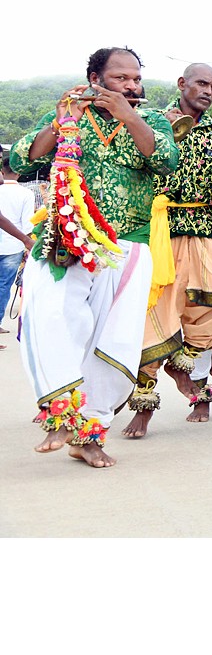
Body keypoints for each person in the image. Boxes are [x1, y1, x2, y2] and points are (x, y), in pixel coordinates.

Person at [10, 46, 179, 465]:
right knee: (52, 319)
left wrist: (130, 114)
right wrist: (61, 119)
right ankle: (61, 413)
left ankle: (90, 433)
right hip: (65, 242)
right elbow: (20, 157)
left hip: (127, 246)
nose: (132, 85)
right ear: (94, 77)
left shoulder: (151, 118)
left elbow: (166, 161)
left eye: (136, 79)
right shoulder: (70, 113)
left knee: (115, 339)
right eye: (121, 78)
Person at [128, 63, 212, 436]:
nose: (209, 91)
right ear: (182, 84)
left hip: (207, 227)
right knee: (157, 315)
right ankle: (144, 405)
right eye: (202, 83)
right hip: (160, 231)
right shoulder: (149, 120)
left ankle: (184, 360)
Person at [0, 154, 35, 334]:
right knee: (4, 284)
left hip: (12, 241)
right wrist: (28, 243)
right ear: (19, 173)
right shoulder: (26, 193)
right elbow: (28, 223)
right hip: (12, 245)